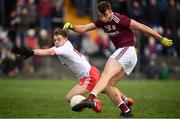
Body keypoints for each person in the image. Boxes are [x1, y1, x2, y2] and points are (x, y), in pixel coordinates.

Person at [63, 1, 173, 117]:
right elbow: (84, 28)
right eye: (101, 16)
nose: (104, 18)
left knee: (105, 75)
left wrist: (160, 38)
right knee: (107, 86)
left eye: (105, 15)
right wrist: (72, 27)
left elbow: (142, 27)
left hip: (127, 50)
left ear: (110, 11)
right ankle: (126, 110)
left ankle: (90, 98)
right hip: (127, 56)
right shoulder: (102, 21)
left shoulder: (119, 19)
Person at [13, 28, 134, 114]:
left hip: (88, 76)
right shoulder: (62, 46)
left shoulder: (64, 48)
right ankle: (125, 100)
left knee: (70, 97)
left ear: (65, 39)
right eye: (54, 40)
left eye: (58, 39)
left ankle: (94, 103)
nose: (56, 42)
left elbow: (48, 52)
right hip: (91, 71)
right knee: (107, 89)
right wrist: (34, 52)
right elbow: (49, 49)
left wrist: (32, 52)